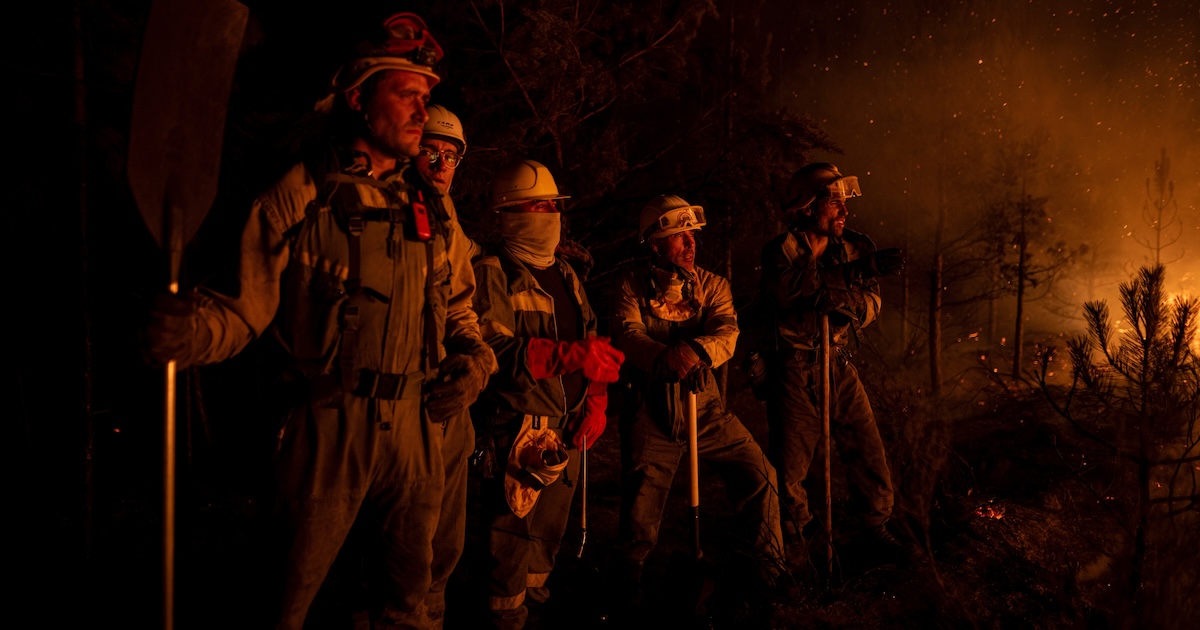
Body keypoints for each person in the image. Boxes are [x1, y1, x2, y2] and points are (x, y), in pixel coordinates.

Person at [141, 12, 497, 629]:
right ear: (359, 99)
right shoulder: (301, 194)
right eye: (405, 94)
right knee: (285, 602)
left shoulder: (432, 207)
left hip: (417, 430)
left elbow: (460, 307)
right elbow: (243, 309)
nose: (421, 110)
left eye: (426, 97)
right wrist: (189, 334)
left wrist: (476, 362)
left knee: (408, 606)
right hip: (327, 426)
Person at [469, 159, 624, 629]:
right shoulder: (491, 272)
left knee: (547, 535)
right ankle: (505, 618)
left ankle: (534, 605)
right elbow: (492, 350)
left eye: (555, 205)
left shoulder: (566, 274)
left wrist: (595, 399)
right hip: (516, 427)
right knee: (510, 537)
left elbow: (592, 339)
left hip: (567, 425)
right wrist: (568, 357)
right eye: (539, 206)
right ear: (512, 213)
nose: (551, 214)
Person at [611, 194, 784, 595]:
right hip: (650, 413)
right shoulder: (630, 285)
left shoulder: (713, 285)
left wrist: (693, 351)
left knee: (760, 473)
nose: (691, 244)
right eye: (679, 235)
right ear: (653, 242)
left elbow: (728, 332)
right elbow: (627, 334)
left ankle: (768, 574)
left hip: (706, 410)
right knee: (640, 511)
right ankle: (627, 591)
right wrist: (662, 356)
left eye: (692, 235)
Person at [755, 162, 912, 570]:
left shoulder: (857, 245)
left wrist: (845, 300)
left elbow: (871, 304)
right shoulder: (781, 251)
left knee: (867, 450)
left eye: (845, 203)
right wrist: (852, 276)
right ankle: (799, 546)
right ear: (807, 208)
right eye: (833, 202)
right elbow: (787, 290)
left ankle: (874, 527)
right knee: (789, 470)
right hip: (792, 367)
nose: (844, 212)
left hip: (838, 363)